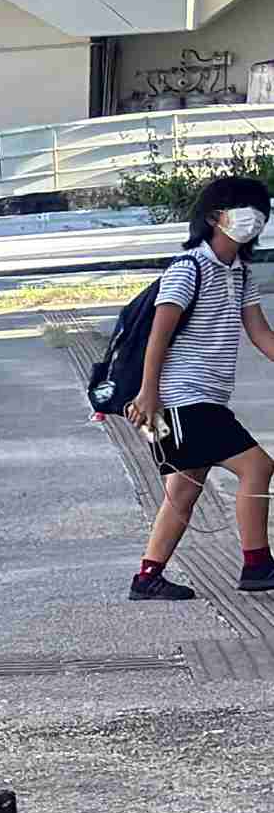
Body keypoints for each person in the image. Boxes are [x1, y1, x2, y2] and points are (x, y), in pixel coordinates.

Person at [127, 171, 274, 601]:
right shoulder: (188, 269)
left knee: (184, 489)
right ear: (215, 217)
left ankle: (147, 577)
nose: (255, 220)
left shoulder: (240, 274)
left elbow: (261, 333)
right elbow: (160, 333)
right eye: (246, 211)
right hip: (180, 397)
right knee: (257, 467)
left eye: (261, 213)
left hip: (206, 397)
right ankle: (257, 564)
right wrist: (149, 394)